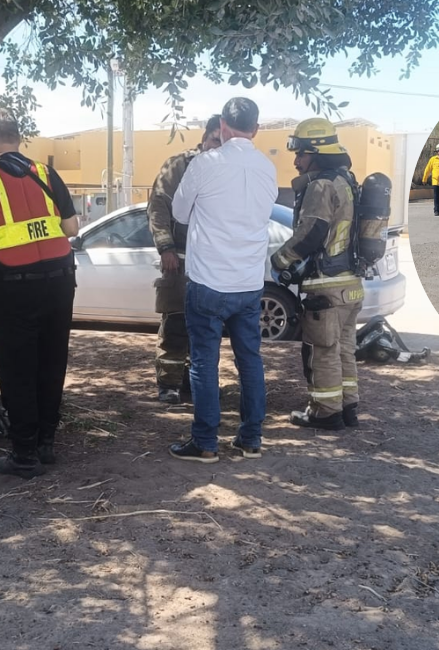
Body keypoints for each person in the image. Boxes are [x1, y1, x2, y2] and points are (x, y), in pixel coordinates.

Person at [0, 108, 80, 479]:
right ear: (19, 139)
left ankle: (24, 454)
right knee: (52, 361)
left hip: (16, 287)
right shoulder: (45, 173)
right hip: (60, 282)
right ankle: (46, 444)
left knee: (18, 367)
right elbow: (69, 226)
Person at [168, 97, 277, 463]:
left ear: (223, 127)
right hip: (248, 283)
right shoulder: (267, 168)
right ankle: (251, 439)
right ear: (256, 129)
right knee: (250, 361)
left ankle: (205, 443)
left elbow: (179, 212)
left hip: (208, 281)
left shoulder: (205, 163)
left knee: (203, 362)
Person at [270, 117, 364, 431]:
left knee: (322, 352)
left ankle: (325, 412)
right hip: (350, 285)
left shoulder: (321, 185)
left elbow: (311, 232)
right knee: (344, 350)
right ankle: (347, 407)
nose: (296, 161)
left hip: (326, 286)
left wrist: (281, 259)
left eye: (302, 154)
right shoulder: (346, 180)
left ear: (319, 153)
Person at [147, 115, 223, 404]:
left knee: (206, 327)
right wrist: (165, 247)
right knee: (176, 323)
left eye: (223, 141)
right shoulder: (179, 165)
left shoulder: (229, 171)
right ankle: (168, 383)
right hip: (179, 258)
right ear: (204, 139)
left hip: (214, 263)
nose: (218, 146)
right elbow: (158, 206)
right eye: (215, 139)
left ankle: (196, 381)